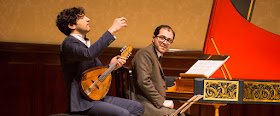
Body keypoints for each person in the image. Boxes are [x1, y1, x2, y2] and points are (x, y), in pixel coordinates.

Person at [56, 7, 144, 116]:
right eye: (82, 18)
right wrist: (112, 30)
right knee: (124, 114)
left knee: (137, 107)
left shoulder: (84, 44)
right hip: (82, 102)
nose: (88, 19)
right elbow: (89, 54)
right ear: (72, 25)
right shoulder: (69, 43)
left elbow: (94, 76)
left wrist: (111, 66)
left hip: (96, 96)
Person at [132, 25, 185, 116]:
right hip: (142, 103)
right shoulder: (145, 54)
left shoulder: (155, 54)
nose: (165, 42)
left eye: (169, 40)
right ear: (153, 38)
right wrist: (162, 102)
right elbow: (143, 81)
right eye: (162, 38)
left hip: (151, 102)